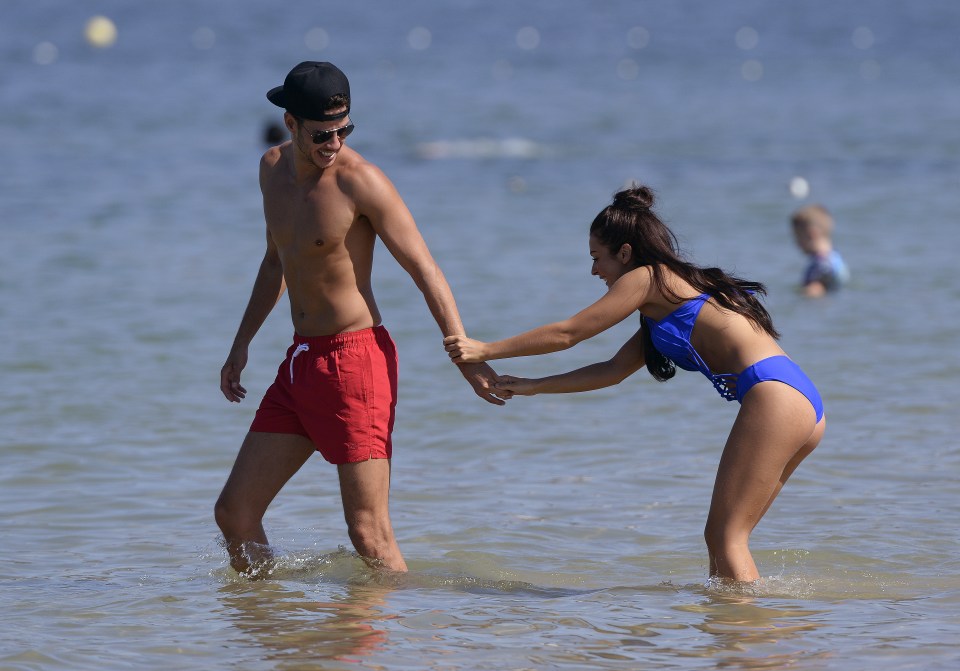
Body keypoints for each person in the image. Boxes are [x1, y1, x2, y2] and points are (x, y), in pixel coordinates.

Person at [443, 185, 825, 584]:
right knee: (726, 538)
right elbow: (612, 370)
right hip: (800, 402)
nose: (594, 271)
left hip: (774, 397)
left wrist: (485, 349)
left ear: (625, 252)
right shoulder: (666, 301)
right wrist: (533, 385)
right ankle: (739, 635)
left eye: (596, 258)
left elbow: (569, 333)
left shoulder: (648, 277)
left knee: (724, 537)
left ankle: (746, 636)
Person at [215, 61, 504, 576]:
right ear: (291, 123)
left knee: (368, 532)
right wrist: (242, 344)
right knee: (234, 514)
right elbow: (274, 261)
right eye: (323, 133)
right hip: (301, 362)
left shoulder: (361, 182)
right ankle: (269, 636)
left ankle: (379, 646)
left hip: (355, 363)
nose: (335, 142)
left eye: (345, 128)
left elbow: (425, 268)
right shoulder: (271, 170)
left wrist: (463, 351)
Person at [790, 204, 850, 297]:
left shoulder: (821, 263)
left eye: (798, 237)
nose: (797, 243)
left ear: (812, 234)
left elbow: (816, 289)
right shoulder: (835, 257)